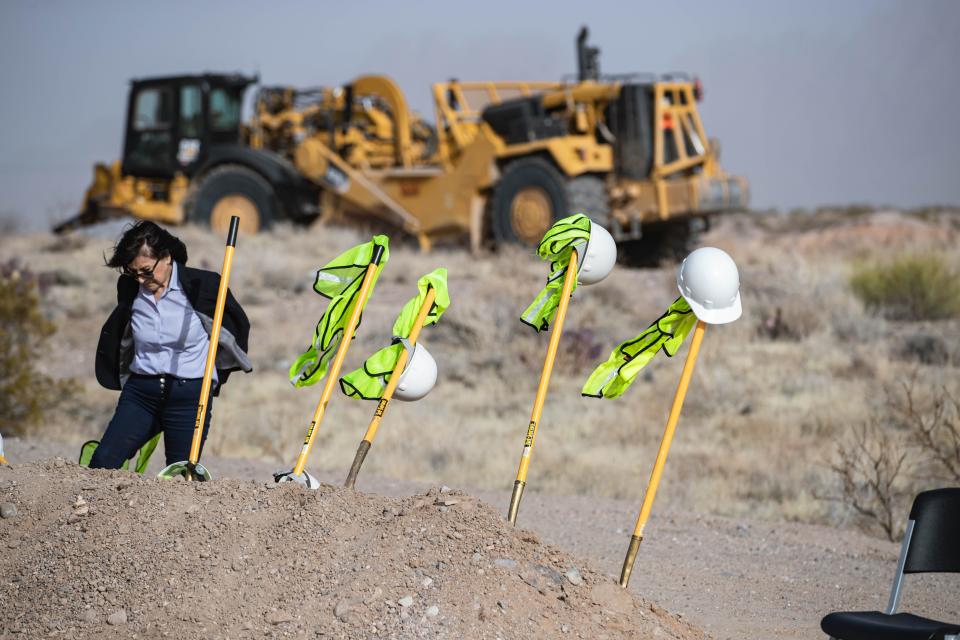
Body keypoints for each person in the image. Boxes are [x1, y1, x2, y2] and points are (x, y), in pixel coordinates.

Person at [89, 221, 251, 469]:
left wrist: (217, 377)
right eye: (133, 273)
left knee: (178, 476)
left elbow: (236, 328)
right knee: (103, 463)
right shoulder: (130, 288)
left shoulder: (203, 285)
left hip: (190, 395)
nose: (141, 279)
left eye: (146, 270)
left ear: (166, 257)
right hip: (141, 393)